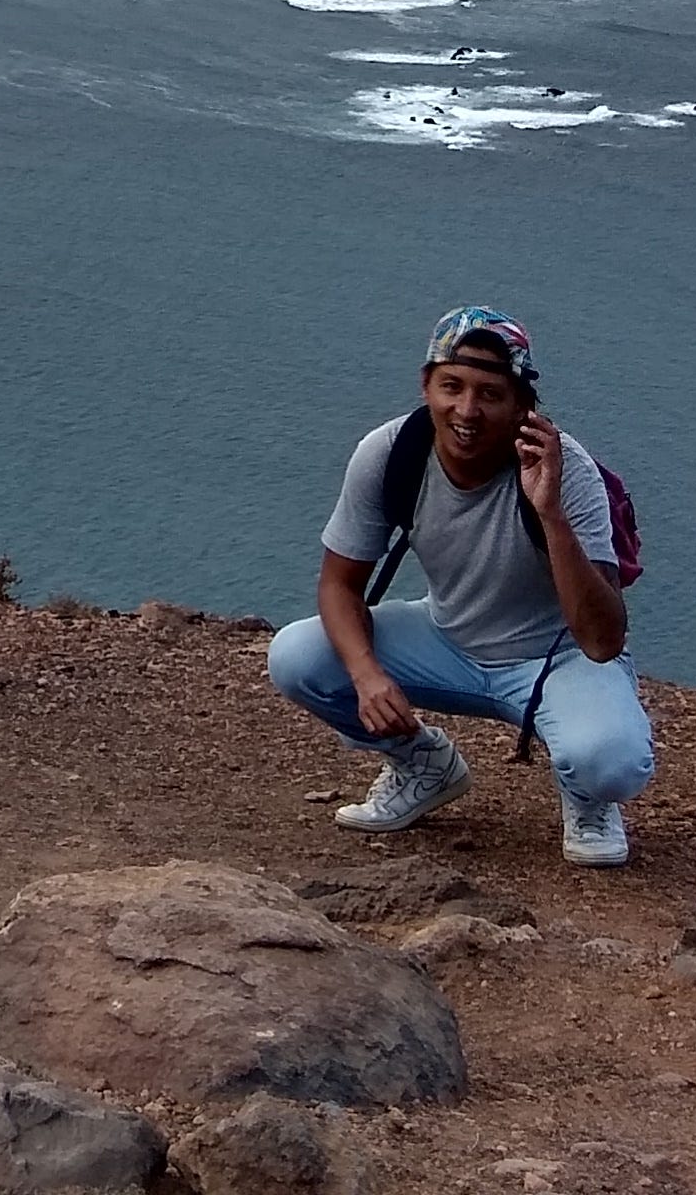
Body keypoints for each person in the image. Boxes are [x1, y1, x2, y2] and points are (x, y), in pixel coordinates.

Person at [266, 305, 656, 866]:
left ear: (523, 405)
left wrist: (551, 514)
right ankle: (422, 764)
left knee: (612, 762)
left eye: (490, 394)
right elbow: (338, 585)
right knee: (299, 657)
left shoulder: (566, 471)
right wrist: (368, 676)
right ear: (427, 386)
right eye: (452, 386)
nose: (467, 411)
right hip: (446, 638)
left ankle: (588, 796)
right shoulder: (391, 452)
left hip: (557, 658)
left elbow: (602, 640)